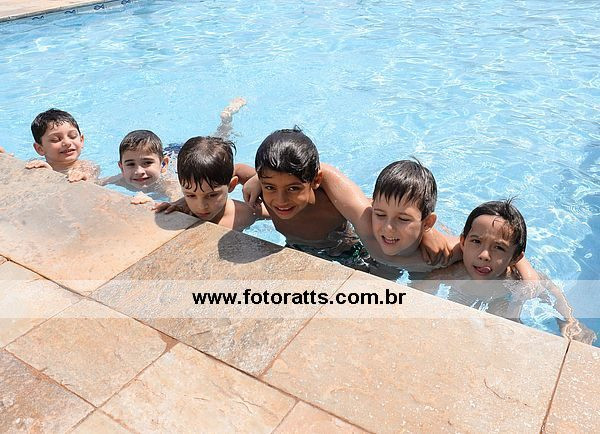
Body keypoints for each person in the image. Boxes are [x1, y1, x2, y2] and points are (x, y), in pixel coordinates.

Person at [243, 128, 451, 273]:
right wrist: (256, 179)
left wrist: (426, 231)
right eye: (269, 186)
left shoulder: (330, 199)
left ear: (315, 181)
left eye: (293, 189)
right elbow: (233, 172)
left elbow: (374, 210)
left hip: (344, 250)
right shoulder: (268, 186)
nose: (281, 200)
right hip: (297, 248)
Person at [414, 200, 596, 344]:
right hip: (462, 295)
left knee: (507, 329)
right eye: (476, 242)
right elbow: (420, 290)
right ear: (463, 242)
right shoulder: (453, 273)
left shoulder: (515, 278)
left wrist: (569, 320)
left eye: (499, 248)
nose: (484, 255)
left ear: (515, 258)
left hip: (500, 298)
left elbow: (550, 289)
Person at [157, 136, 267, 231]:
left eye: (212, 195)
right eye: (191, 195)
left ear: (231, 186)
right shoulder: (182, 210)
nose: (201, 206)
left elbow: (275, 210)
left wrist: (259, 180)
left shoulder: (245, 214)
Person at [97, 130, 180, 204]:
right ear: (122, 168)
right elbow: (95, 183)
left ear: (163, 164)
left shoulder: (168, 184)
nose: (139, 171)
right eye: (131, 164)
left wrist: (154, 203)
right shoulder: (119, 180)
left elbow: (179, 203)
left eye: (147, 162)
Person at [26, 108, 99, 182]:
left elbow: (90, 185)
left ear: (81, 140)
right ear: (40, 149)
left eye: (73, 136)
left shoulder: (86, 168)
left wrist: (49, 174)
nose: (67, 143)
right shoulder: (39, 163)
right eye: (56, 139)